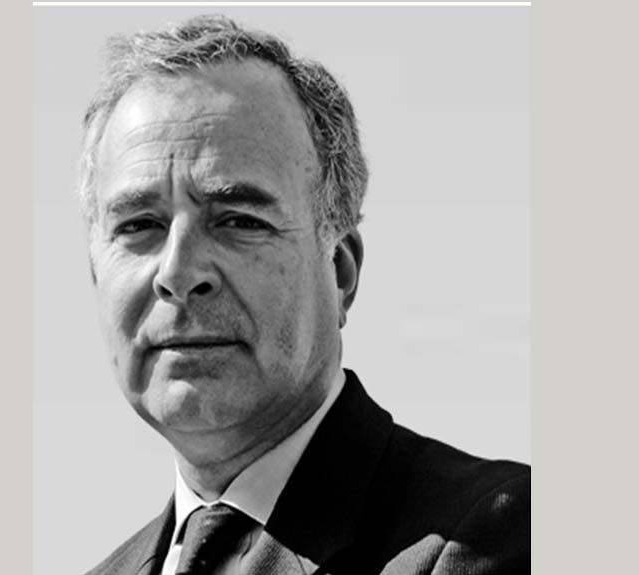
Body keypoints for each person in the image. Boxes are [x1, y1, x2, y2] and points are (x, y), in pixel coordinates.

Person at [77, 14, 529, 575]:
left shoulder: (496, 535)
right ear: (96, 276)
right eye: (139, 225)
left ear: (340, 271)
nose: (178, 271)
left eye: (238, 220)